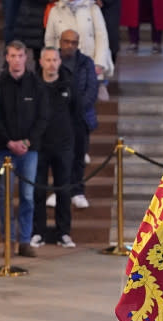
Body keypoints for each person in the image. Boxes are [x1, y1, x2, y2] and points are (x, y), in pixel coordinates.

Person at [0, 40, 49, 258]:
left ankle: (25, 240)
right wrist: (9, 141)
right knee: (4, 196)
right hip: (4, 149)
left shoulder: (36, 84)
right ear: (7, 58)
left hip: (29, 150)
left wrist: (27, 142)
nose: (17, 59)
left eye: (20, 56)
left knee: (27, 194)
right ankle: (8, 240)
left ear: (26, 58)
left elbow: (43, 117)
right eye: (13, 56)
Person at [31, 47, 78, 248]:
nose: (51, 63)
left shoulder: (69, 84)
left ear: (60, 62)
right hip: (39, 146)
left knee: (64, 190)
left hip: (64, 146)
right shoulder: (32, 85)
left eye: (54, 59)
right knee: (38, 191)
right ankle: (37, 232)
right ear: (41, 62)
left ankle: (63, 233)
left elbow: (77, 115)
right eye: (47, 59)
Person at [57, 29, 98, 210]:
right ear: (60, 42)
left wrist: (77, 108)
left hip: (81, 118)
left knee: (79, 157)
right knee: (61, 158)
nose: (70, 46)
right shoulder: (54, 61)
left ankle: (77, 191)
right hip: (58, 119)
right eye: (66, 42)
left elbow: (92, 89)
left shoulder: (86, 62)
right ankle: (61, 190)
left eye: (74, 42)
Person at [45, 0, 115, 76]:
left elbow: (102, 38)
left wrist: (99, 63)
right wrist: (52, 61)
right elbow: (49, 39)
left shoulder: (93, 9)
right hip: (62, 68)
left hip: (90, 67)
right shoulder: (55, 11)